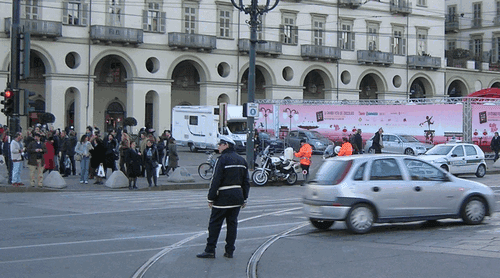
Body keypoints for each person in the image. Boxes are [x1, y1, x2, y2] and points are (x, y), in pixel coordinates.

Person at [197, 135, 250, 259]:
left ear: (226, 145)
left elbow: (215, 180)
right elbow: (246, 182)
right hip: (237, 197)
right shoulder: (242, 160)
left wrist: (210, 198)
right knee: (232, 225)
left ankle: (210, 249)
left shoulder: (222, 160)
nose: (218, 146)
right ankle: (229, 251)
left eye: (220, 144)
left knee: (215, 224)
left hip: (222, 197)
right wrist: (244, 198)